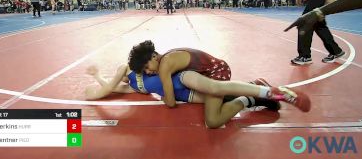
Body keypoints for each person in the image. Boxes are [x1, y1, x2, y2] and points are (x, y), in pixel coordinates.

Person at [128, 40, 311, 111]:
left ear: (153, 56)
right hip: (211, 70)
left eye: (146, 68)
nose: (149, 72)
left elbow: (170, 102)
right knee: (213, 94)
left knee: (213, 118)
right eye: (145, 72)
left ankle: (268, 92)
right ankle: (258, 93)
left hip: (217, 71)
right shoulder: (168, 57)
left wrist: (159, 92)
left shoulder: (165, 65)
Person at [85, 64, 281, 129]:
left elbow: (110, 88)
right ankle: (255, 90)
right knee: (223, 97)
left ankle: (257, 89)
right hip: (185, 96)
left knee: (219, 92)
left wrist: (94, 94)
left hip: (184, 85)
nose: (148, 71)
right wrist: (97, 77)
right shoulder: (135, 85)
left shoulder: (131, 68)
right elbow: (114, 88)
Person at [284, 0, 362, 34]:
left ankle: (305, 56)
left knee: (312, 23)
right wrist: (319, 12)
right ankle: (335, 51)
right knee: (315, 23)